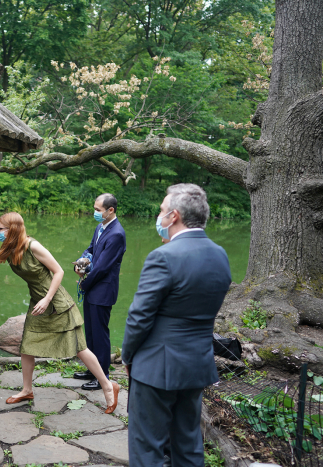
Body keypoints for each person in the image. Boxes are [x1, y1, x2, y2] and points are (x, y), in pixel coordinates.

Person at [0, 212, 120, 413]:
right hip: (37, 303)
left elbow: (58, 271)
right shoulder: (10, 249)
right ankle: (26, 390)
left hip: (55, 302)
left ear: (12, 229)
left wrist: (47, 298)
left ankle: (107, 385)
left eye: (0, 229)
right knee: (27, 347)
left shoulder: (33, 246)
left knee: (79, 347)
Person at [122, 184, 231, 467]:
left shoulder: (164, 256)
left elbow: (139, 316)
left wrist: (128, 355)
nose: (158, 217)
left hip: (157, 364)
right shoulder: (220, 254)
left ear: (174, 216)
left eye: (161, 211)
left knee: (148, 448)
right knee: (188, 443)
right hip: (197, 363)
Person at [73, 193, 126, 390]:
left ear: (110, 210)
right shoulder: (100, 227)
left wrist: (84, 284)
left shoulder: (117, 234)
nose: (94, 212)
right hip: (92, 288)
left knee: (100, 334)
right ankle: (91, 370)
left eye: (98, 210)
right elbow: (91, 251)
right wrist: (80, 263)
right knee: (91, 333)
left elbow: (102, 267)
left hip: (103, 291)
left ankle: (102, 376)